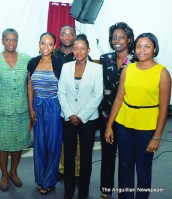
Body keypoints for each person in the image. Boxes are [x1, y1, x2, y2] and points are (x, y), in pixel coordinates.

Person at [105, 32, 171, 199]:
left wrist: (157, 136)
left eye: (147, 46)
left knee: (143, 169)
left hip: (147, 128)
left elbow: (164, 108)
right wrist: (109, 126)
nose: (142, 50)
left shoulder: (162, 73)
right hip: (124, 124)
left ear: (155, 49)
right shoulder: (128, 69)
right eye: (139, 46)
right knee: (125, 167)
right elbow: (119, 98)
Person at [58, 34, 103, 199]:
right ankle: (68, 191)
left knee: (85, 157)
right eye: (75, 48)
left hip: (88, 120)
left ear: (88, 50)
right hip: (68, 118)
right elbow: (61, 92)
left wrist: (80, 116)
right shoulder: (66, 67)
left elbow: (97, 95)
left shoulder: (97, 68)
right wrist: (70, 114)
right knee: (69, 156)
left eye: (82, 48)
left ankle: (83, 193)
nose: (78, 51)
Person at [0, 28, 31, 192]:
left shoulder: (27, 59)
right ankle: (4, 174)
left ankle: (13, 171)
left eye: (14, 40)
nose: (11, 43)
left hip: (21, 110)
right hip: (0, 111)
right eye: (8, 40)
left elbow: (29, 85)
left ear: (17, 41)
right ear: (2, 41)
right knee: (2, 145)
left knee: (18, 144)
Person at [98, 22, 135, 199]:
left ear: (129, 39)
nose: (117, 40)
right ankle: (106, 190)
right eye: (114, 37)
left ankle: (124, 193)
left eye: (121, 37)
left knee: (126, 159)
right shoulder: (105, 59)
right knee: (107, 156)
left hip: (128, 117)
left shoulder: (138, 60)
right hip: (106, 115)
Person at [27, 32, 64, 195]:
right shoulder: (33, 62)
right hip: (37, 106)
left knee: (53, 145)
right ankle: (40, 179)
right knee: (39, 145)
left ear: (54, 46)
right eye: (43, 43)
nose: (46, 47)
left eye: (50, 44)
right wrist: (31, 108)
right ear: (39, 44)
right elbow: (30, 86)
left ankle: (49, 181)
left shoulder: (59, 63)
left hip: (54, 106)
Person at [54, 25, 81, 184]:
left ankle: (77, 171)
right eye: (64, 33)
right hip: (55, 103)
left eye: (70, 34)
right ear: (60, 36)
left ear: (74, 36)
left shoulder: (80, 54)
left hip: (74, 105)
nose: (67, 36)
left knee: (75, 140)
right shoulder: (52, 54)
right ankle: (61, 169)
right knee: (59, 138)